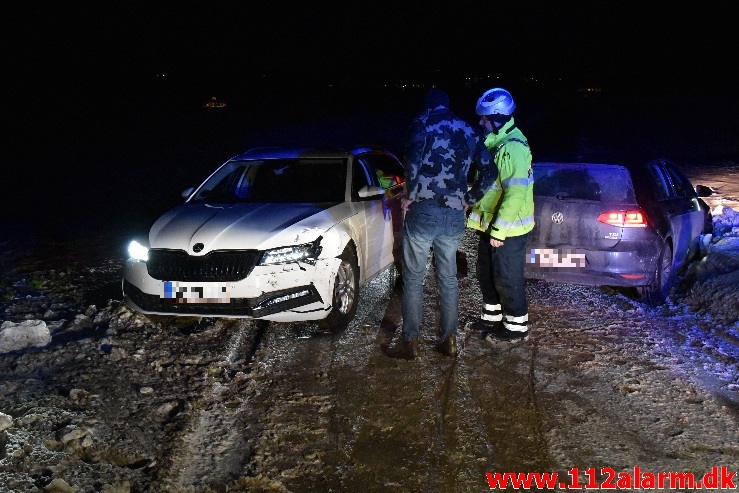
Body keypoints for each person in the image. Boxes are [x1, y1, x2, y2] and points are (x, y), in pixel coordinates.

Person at [387, 87, 497, 359]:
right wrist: (471, 198)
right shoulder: (467, 130)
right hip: (453, 215)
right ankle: (449, 338)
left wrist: (409, 196)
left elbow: (412, 162)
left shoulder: (422, 124)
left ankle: (410, 342)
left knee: (413, 278)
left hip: (423, 211)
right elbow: (490, 170)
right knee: (448, 278)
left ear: (428, 106)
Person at [466, 87, 534, 342]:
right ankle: (491, 319)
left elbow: (515, 194)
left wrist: (499, 231)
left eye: (484, 118)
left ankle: (516, 327)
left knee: (507, 277)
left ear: (498, 118)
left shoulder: (512, 148)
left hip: (507, 229)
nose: (481, 123)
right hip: (491, 226)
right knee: (486, 274)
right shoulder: (496, 144)